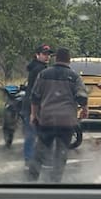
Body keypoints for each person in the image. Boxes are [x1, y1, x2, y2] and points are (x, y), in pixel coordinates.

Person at [29, 48, 88, 182]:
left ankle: (31, 181)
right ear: (69, 60)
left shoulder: (44, 74)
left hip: (47, 120)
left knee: (40, 151)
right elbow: (81, 96)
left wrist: (33, 115)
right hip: (66, 122)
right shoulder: (74, 77)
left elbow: (35, 97)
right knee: (61, 153)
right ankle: (55, 182)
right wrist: (85, 109)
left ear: (56, 59)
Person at [21, 43, 52, 167]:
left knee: (32, 133)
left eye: (48, 54)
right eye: (44, 54)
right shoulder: (40, 69)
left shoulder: (37, 67)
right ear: (37, 55)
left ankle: (31, 158)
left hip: (31, 104)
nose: (47, 56)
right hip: (33, 105)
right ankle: (30, 158)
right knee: (33, 133)